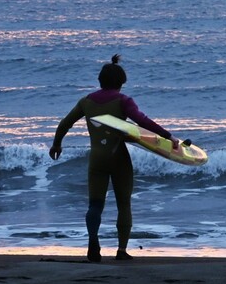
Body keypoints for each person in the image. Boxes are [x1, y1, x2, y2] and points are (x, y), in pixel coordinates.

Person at [50, 55, 182, 263]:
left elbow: (65, 123)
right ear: (121, 83)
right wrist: (169, 136)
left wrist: (57, 144)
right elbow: (141, 120)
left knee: (95, 204)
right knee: (124, 203)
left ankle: (93, 240)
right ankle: (121, 250)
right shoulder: (123, 100)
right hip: (118, 157)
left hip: (97, 159)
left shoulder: (86, 101)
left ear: (100, 81)